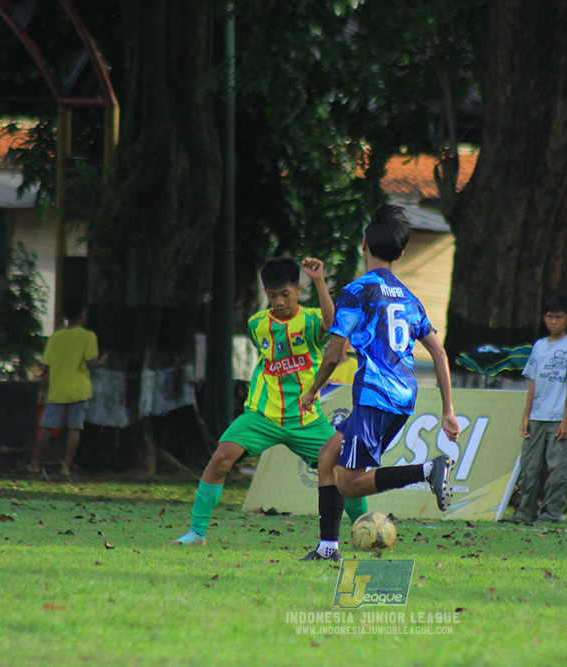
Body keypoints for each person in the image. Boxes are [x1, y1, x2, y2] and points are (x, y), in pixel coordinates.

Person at [298, 204, 460, 562]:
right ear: (401, 254)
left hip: (374, 395)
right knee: (328, 457)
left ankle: (427, 470)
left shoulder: (358, 291)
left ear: (363, 246)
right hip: (402, 397)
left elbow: (334, 353)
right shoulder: (409, 297)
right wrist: (448, 411)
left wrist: (312, 391)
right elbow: (439, 352)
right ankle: (328, 549)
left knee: (350, 482)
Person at [173, 257, 367, 545]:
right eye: (272, 295)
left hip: (306, 418)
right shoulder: (257, 324)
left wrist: (319, 280)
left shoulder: (312, 319)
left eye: (285, 295)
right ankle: (196, 533)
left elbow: (332, 324)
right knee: (221, 459)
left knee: (342, 473)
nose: (278, 302)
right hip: (262, 415)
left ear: (297, 290)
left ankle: (365, 531)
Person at [506, 295, 567, 524]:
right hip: (537, 416)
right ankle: (524, 511)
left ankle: (550, 513)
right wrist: (525, 415)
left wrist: (566, 420)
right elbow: (533, 381)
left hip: (560, 416)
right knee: (529, 468)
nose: (553, 322)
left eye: (558, 317)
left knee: (557, 469)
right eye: (549, 317)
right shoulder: (539, 346)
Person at [27, 299, 108, 476]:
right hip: (79, 389)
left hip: (57, 389)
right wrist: (101, 362)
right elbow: (90, 362)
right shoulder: (88, 337)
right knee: (74, 430)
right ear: (81, 316)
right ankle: (66, 467)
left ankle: (35, 463)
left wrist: (42, 390)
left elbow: (46, 367)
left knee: (46, 428)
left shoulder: (55, 337)